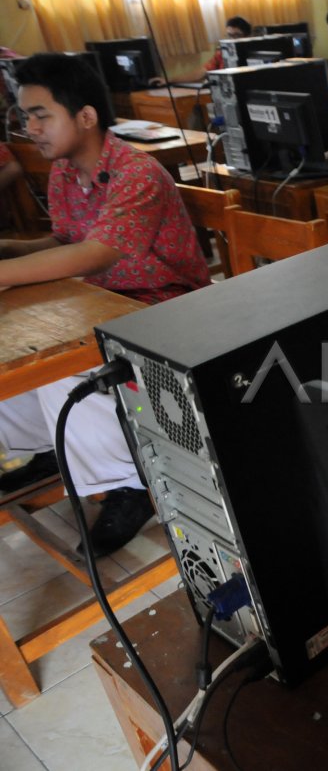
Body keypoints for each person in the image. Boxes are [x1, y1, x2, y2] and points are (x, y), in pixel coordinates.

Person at [0, 54, 211, 555]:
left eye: (41, 115)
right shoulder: (67, 172)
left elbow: (98, 251)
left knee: (56, 367)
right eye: (25, 117)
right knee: (15, 347)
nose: (30, 128)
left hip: (167, 313)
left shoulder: (138, 173)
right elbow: (67, 241)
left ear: (86, 117)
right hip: (99, 302)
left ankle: (131, 485)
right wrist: (8, 252)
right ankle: (52, 448)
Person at [174, 16, 252, 82]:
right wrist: (170, 80)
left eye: (237, 35)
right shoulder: (222, 52)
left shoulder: (253, 55)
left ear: (247, 36)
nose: (232, 39)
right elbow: (202, 72)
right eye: (229, 35)